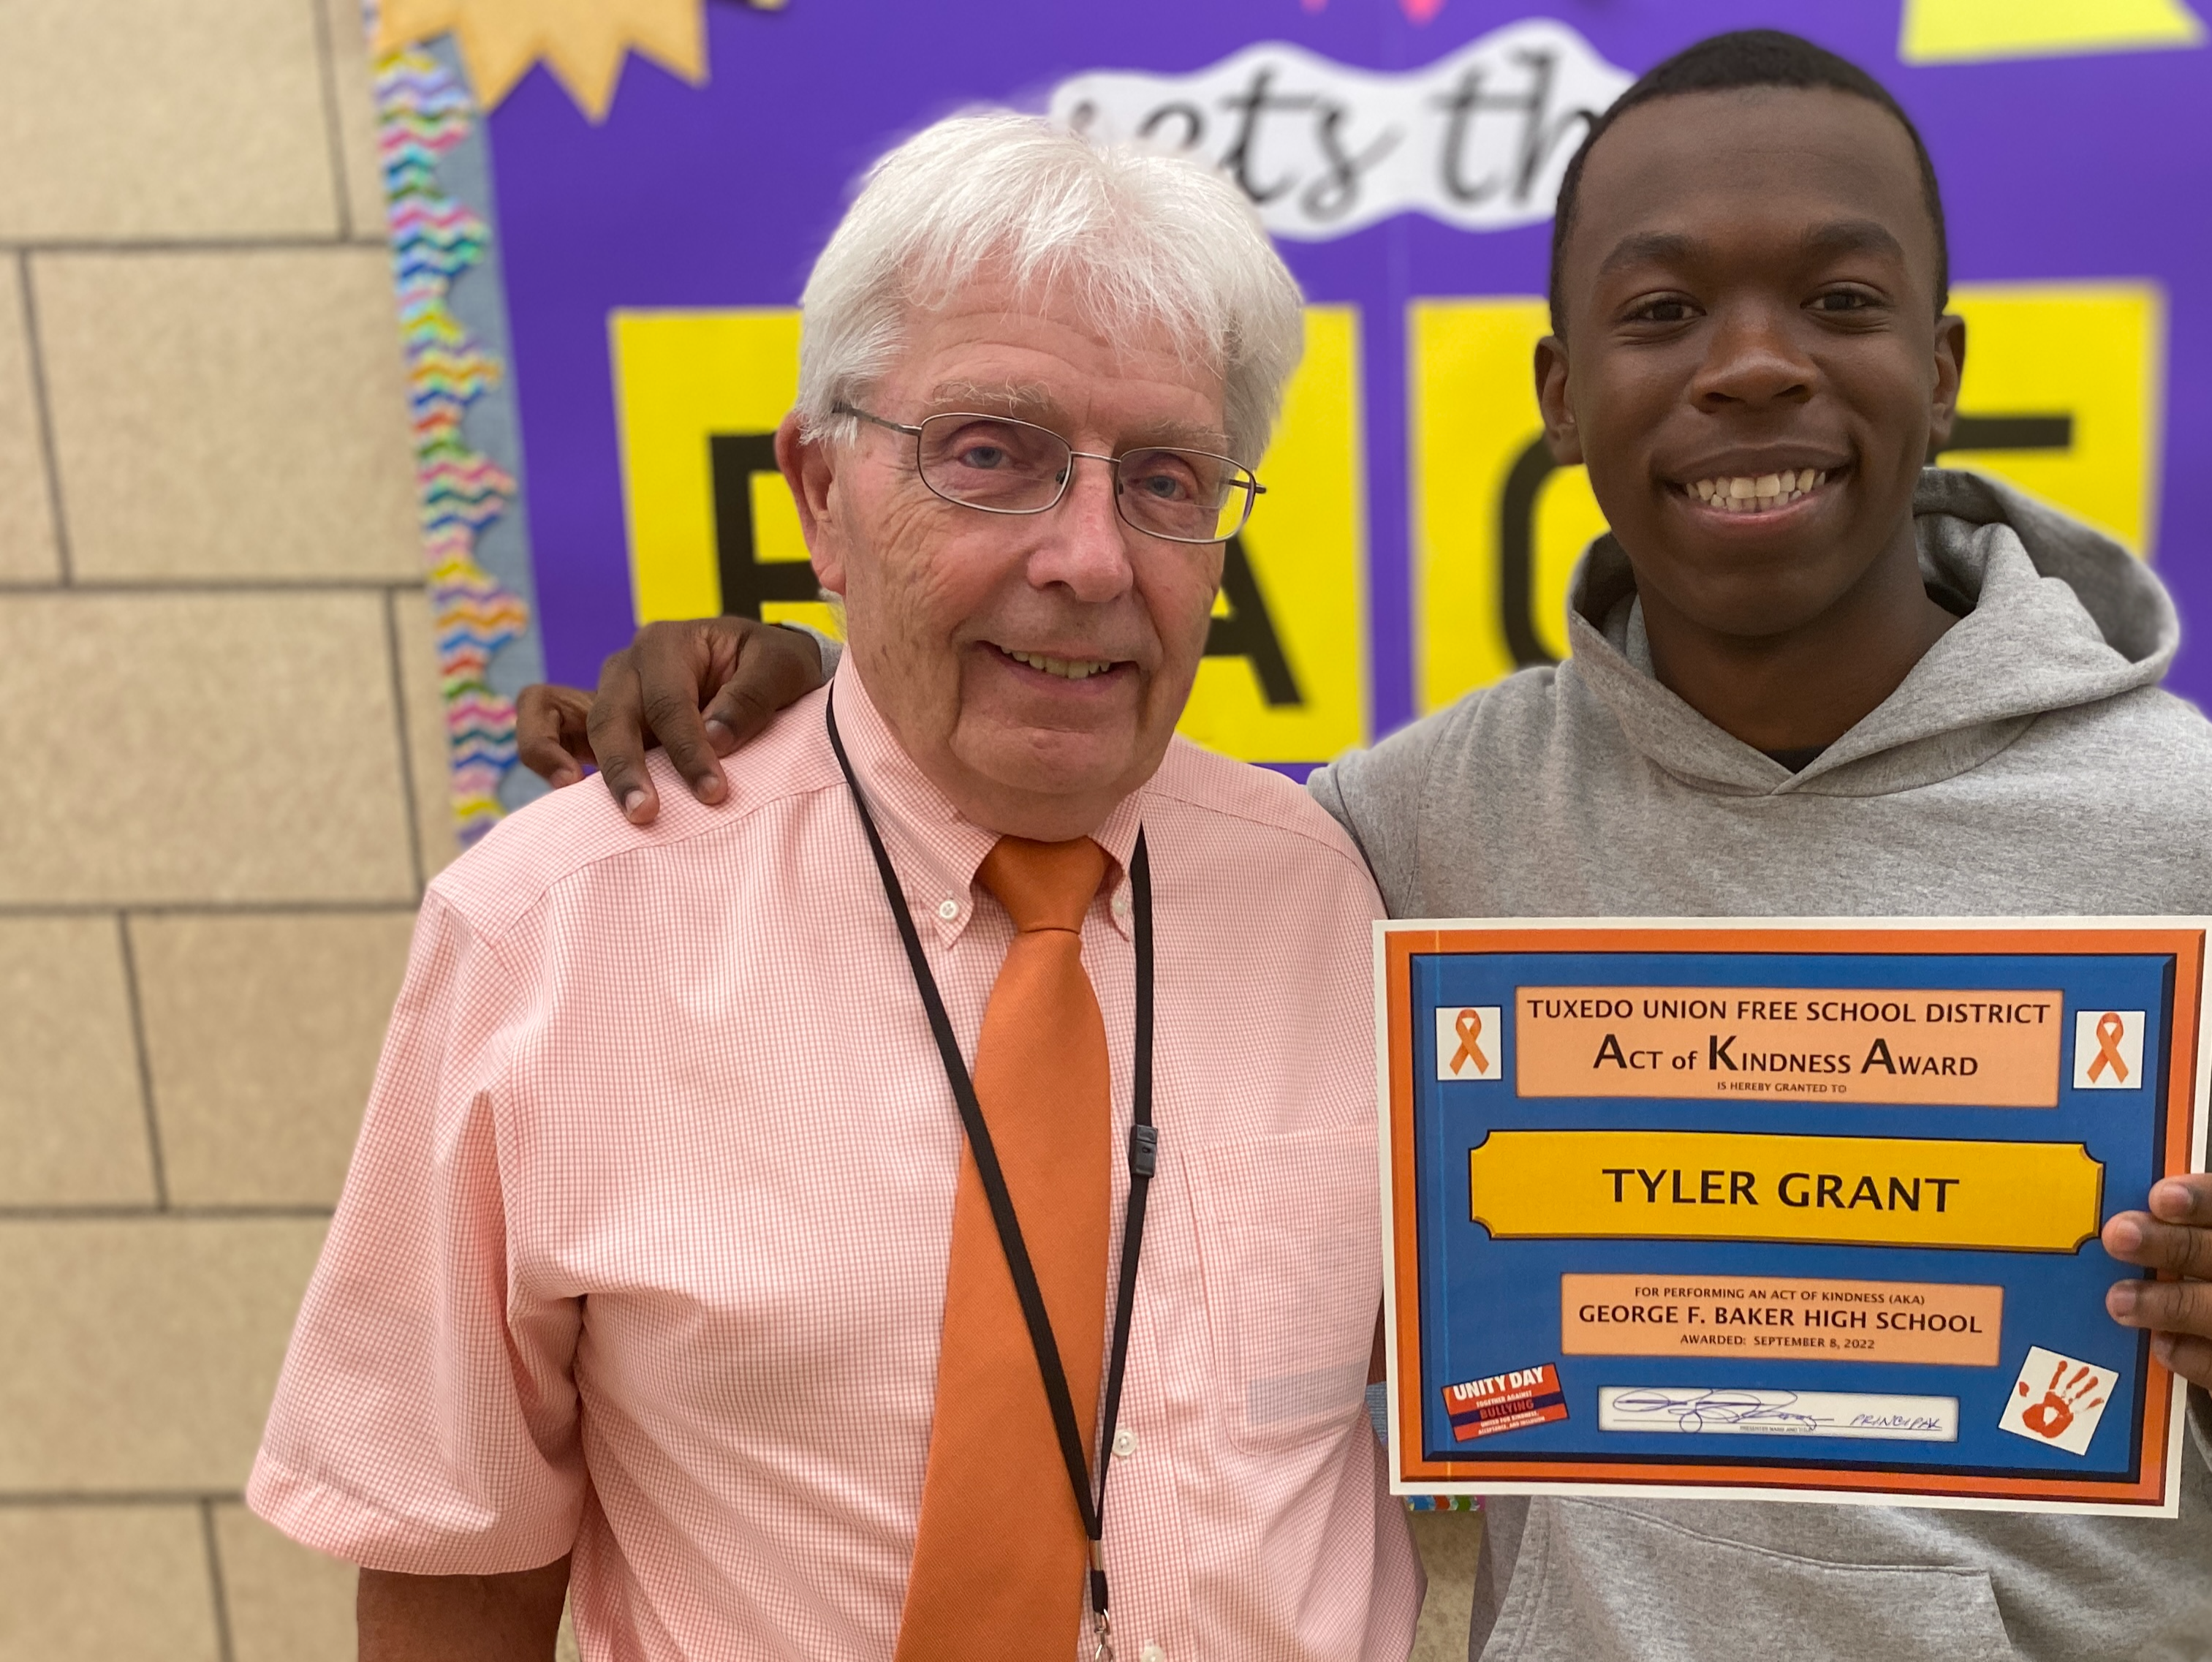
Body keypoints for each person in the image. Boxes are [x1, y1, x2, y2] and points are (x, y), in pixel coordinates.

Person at [526, 31, 2212, 1662]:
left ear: (1942, 373)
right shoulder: (1413, 829)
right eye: (1666, 310)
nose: (1754, 358)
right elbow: (1081, 832)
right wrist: (816, 695)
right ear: (1565, 399)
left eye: (1840, 298)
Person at [251, 112, 1422, 1661]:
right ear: (820, 493)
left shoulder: (1350, 899)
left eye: (1163, 477)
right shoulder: (547, 930)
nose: (1089, 555)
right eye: (990, 453)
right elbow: (455, 1558)